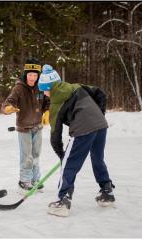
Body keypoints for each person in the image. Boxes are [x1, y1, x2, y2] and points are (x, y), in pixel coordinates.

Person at [37, 64, 115, 217]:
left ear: (50, 87)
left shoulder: (56, 104)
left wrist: (62, 155)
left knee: (69, 165)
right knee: (98, 159)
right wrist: (99, 114)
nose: (45, 94)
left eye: (44, 90)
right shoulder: (76, 87)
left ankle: (62, 200)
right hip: (100, 125)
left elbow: (55, 135)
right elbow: (101, 94)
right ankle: (107, 192)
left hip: (83, 129)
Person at [1, 58, 50, 192]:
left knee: (36, 154)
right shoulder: (19, 88)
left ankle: (35, 179)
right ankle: (24, 180)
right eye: (30, 75)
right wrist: (8, 108)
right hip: (24, 128)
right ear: (26, 74)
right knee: (26, 155)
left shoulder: (41, 86)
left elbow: (47, 101)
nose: (32, 78)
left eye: (35, 75)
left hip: (38, 126)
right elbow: (8, 102)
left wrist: (47, 112)